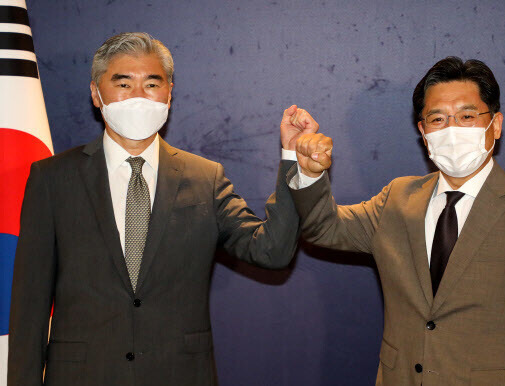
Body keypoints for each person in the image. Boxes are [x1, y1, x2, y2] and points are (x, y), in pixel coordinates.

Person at [8, 32, 315, 386]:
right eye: (123, 83)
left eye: (152, 83)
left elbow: (272, 250)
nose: (138, 96)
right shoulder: (53, 177)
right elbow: (29, 304)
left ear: (169, 92)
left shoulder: (205, 177)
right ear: (96, 93)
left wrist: (293, 161)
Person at [286, 57, 505, 385]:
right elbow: (322, 227)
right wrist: (308, 175)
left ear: (495, 124)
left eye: (467, 116)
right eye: (438, 119)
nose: (452, 130)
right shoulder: (397, 199)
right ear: (423, 132)